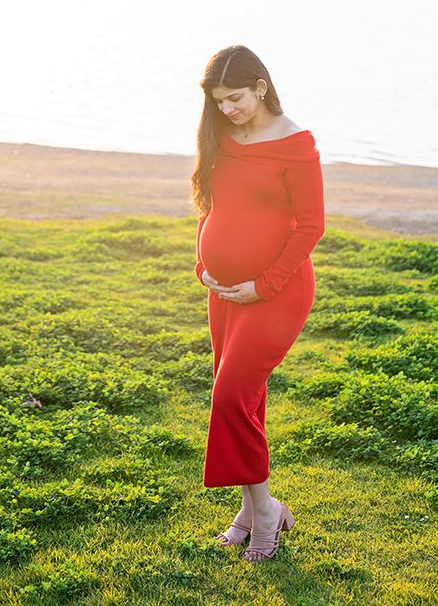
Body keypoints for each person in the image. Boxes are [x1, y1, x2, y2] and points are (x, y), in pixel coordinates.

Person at [190, 44, 326, 563]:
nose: (228, 110)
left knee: (228, 398)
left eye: (236, 98)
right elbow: (211, 204)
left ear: (261, 87)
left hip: (276, 291)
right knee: (245, 400)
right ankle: (252, 513)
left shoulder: (295, 144)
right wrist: (203, 264)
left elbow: (311, 226)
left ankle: (265, 512)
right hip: (224, 292)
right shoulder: (221, 135)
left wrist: (263, 285)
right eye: (219, 101)